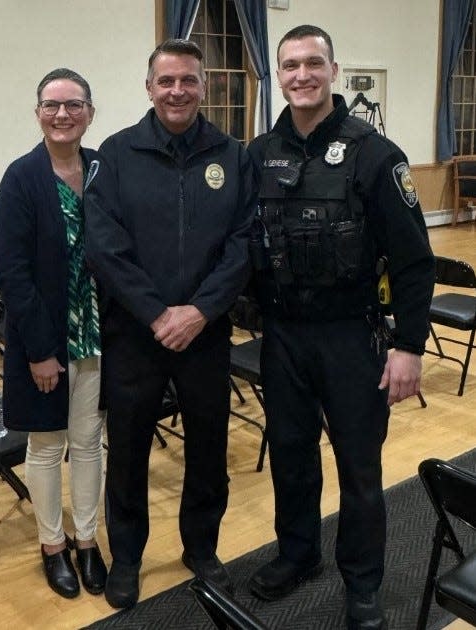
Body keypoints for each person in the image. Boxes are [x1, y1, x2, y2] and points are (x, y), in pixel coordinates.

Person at [246, 25, 434, 630]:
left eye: (312, 64)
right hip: (283, 336)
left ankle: (363, 583)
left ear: (332, 70)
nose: (301, 75)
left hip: (352, 336)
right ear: (279, 75)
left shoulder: (376, 154)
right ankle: (297, 554)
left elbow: (413, 260)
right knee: (291, 456)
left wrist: (407, 346)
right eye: (290, 66)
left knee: (359, 467)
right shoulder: (257, 154)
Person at [84, 39, 257, 609]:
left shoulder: (232, 155)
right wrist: (158, 314)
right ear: (149, 87)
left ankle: (201, 549)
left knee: (209, 445)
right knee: (129, 449)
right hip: (136, 334)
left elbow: (242, 243)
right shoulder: (115, 153)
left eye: (188, 80)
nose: (177, 90)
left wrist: (201, 310)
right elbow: (105, 247)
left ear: (204, 86)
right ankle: (128, 557)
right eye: (166, 81)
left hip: (206, 334)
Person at [0, 68, 107, 599]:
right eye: (52, 104)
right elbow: (12, 274)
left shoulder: (104, 170)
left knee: (89, 443)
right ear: (37, 111)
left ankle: (87, 539)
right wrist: (39, 351)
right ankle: (52, 543)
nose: (63, 114)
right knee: (45, 447)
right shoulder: (20, 178)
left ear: (90, 112)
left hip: (98, 336)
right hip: (46, 341)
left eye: (74, 104)